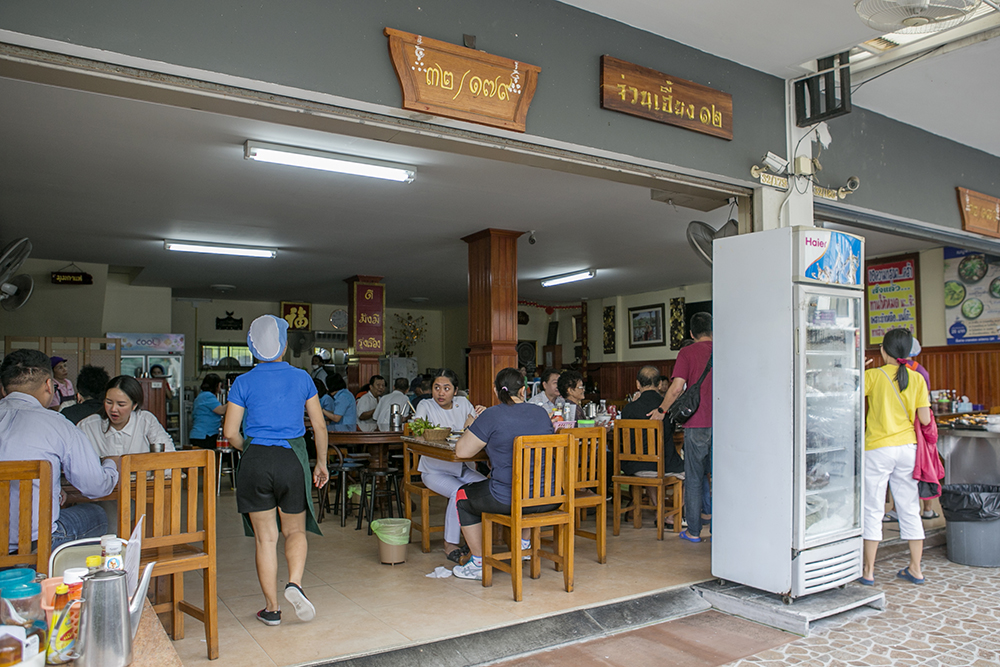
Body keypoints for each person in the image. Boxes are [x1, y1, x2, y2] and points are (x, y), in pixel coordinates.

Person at [223, 315, 328, 627]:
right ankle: (294, 583)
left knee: (265, 540)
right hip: (290, 459)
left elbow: (230, 432)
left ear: (252, 347)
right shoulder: (301, 378)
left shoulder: (242, 382)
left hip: (255, 461)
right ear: (284, 345)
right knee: (294, 530)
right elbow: (319, 425)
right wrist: (321, 462)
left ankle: (271, 610)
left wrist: (250, 450)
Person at [0, 350, 119, 550]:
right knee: (97, 514)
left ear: (4, 390)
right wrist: (111, 464)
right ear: (49, 385)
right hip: (36, 545)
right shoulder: (57, 425)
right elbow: (95, 487)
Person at [452, 368, 556, 581]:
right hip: (549, 496)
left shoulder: (491, 414)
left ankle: (478, 562)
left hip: (508, 498)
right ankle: (523, 545)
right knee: (527, 487)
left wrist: (470, 426)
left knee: (462, 496)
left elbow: (462, 451)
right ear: (524, 390)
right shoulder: (541, 413)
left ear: (495, 390)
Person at [860, 328, 931, 586]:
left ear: (883, 350)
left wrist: (858, 370)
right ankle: (916, 568)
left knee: (873, 507)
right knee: (910, 508)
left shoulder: (873, 376)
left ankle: (868, 571)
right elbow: (924, 418)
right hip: (907, 449)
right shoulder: (917, 379)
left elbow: (849, 397)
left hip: (878, 448)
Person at [412, 368, 486, 563]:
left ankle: (481, 540)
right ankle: (450, 544)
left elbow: (478, 430)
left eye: (446, 388)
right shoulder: (426, 405)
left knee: (486, 486)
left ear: (456, 390)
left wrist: (482, 416)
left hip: (463, 468)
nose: (441, 393)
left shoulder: (463, 403)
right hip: (434, 471)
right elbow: (418, 431)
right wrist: (465, 429)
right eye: (437, 388)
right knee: (459, 492)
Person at [651, 312, 713, 544]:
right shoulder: (725, 349)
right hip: (726, 424)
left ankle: (694, 532)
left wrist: (662, 410)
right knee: (721, 478)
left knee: (695, 478)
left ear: (691, 333)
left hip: (696, 424)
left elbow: (677, 388)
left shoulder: (687, 352)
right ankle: (721, 529)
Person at [78, 376, 176, 457]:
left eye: (121, 404)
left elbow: (169, 456)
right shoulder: (87, 426)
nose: (113, 409)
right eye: (109, 402)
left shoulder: (146, 421)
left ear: (134, 405)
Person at [190, 373, 226, 450]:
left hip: (199, 435)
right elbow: (221, 410)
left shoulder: (202, 395)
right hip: (205, 436)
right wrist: (235, 401)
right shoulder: (207, 396)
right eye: (220, 386)